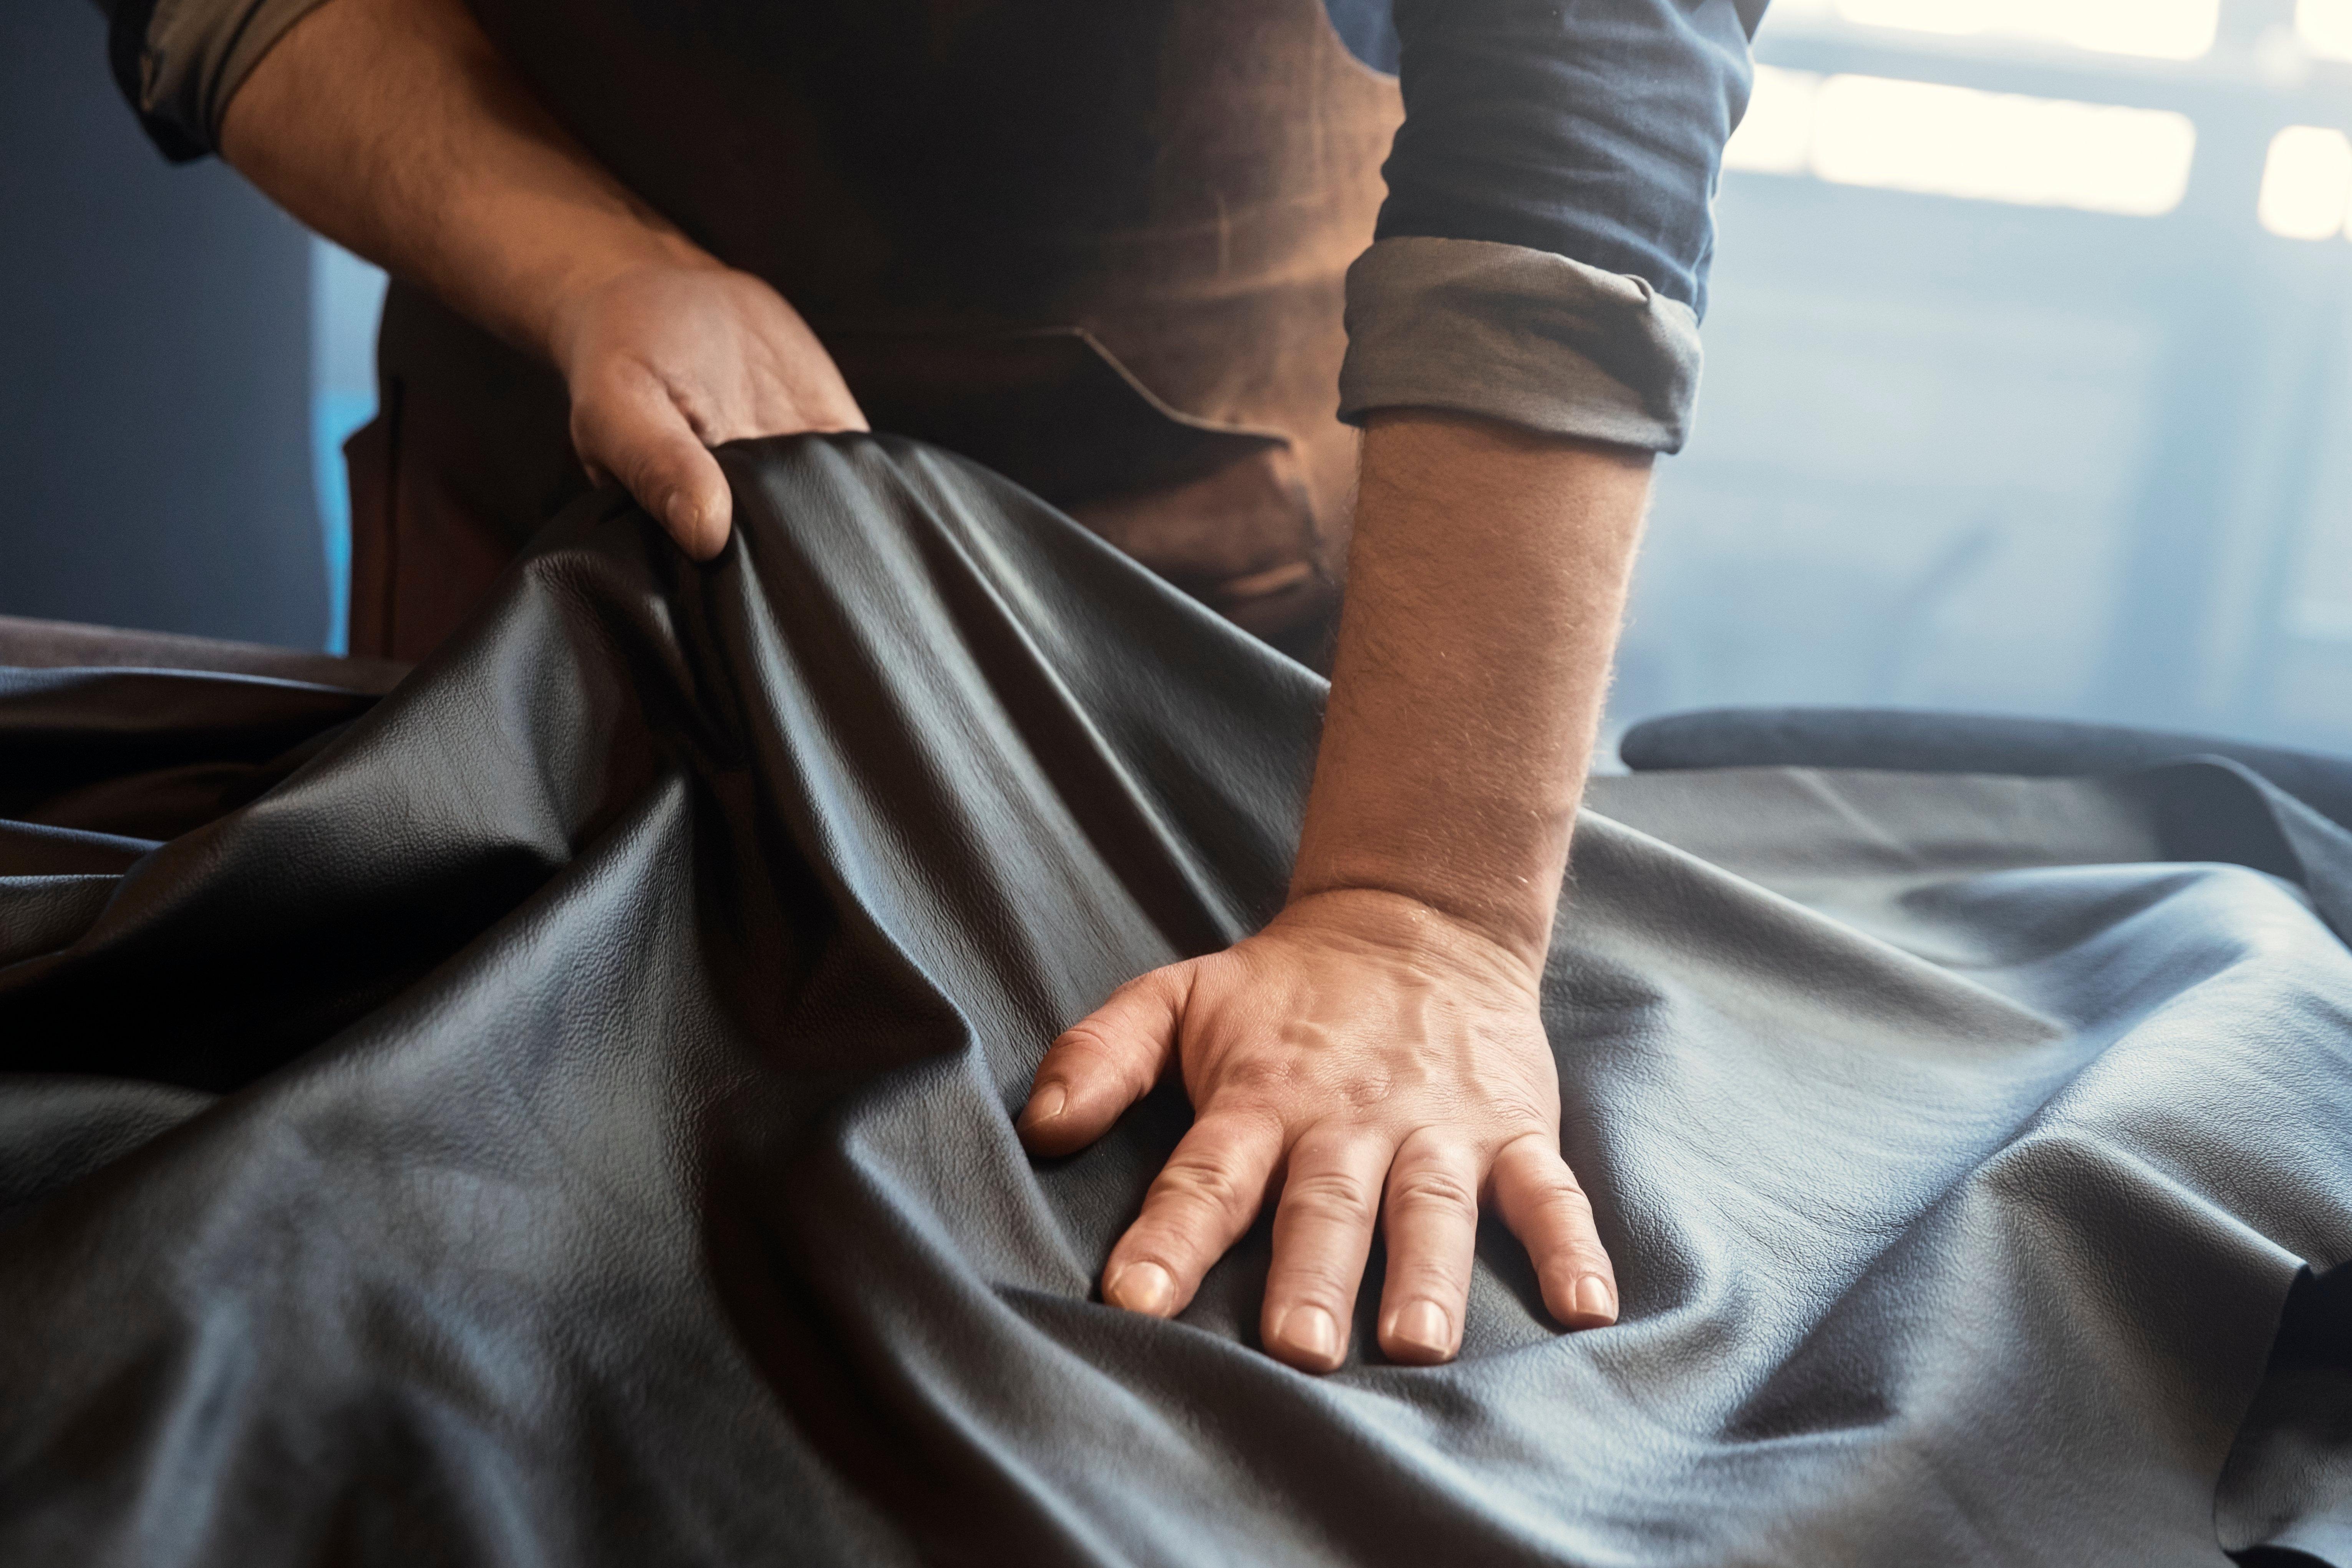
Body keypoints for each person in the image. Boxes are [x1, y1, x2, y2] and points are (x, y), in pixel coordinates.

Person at [103, 0, 1761, 1373]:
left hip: (1196, 552)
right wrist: (586, 264)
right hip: (567, 472)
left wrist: (1420, 907)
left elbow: (1586, 80)